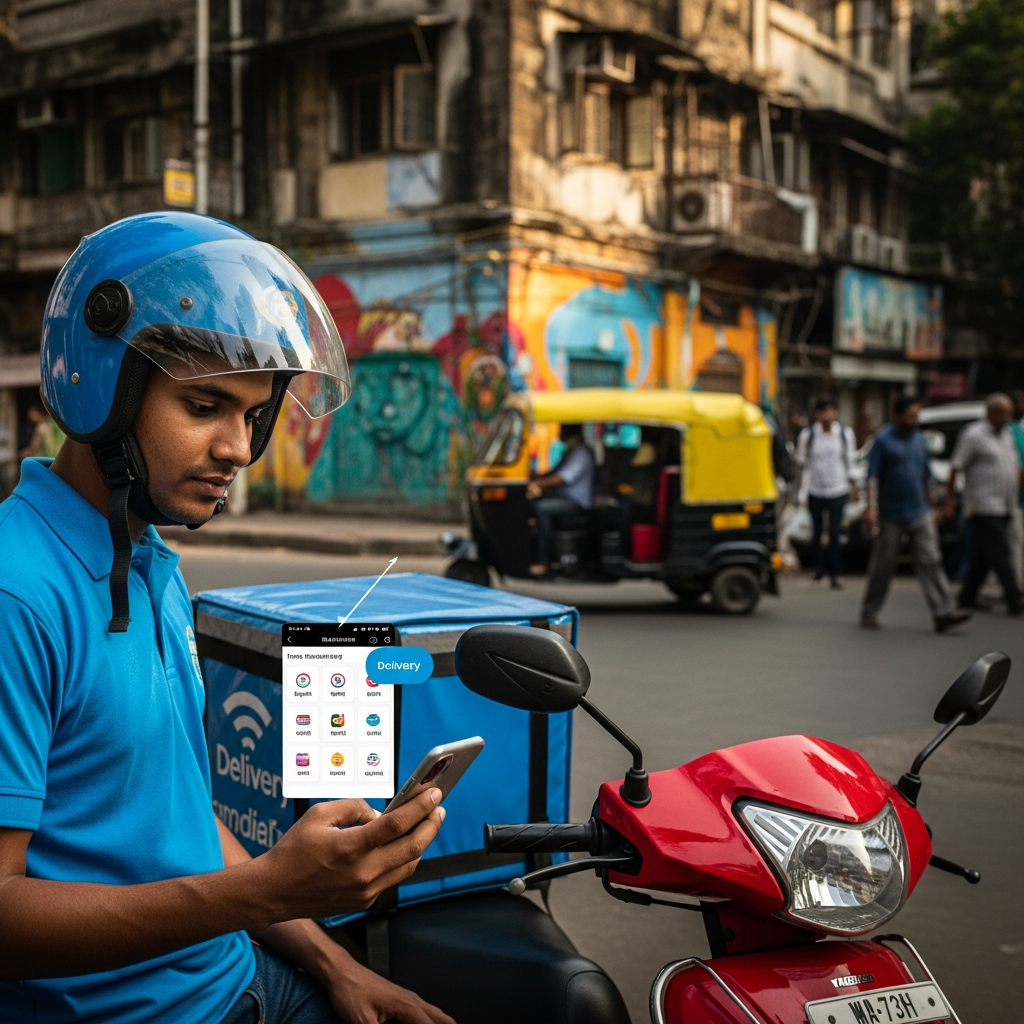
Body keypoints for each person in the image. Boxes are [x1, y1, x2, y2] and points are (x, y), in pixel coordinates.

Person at [0, 212, 453, 1024]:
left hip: (239, 975)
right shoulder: (17, 594)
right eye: (204, 405)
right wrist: (264, 888)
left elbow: (178, 816)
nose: (239, 449)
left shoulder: (150, 563)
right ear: (99, 390)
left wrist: (334, 963)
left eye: (251, 415)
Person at [859, 397, 971, 632]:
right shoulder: (883, 440)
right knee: (884, 564)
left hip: (919, 509)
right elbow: (872, 478)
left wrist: (934, 507)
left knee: (930, 560)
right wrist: (871, 508)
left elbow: (926, 477)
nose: (915, 420)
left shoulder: (919, 440)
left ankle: (943, 611)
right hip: (890, 512)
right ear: (897, 415)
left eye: (917, 416)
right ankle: (870, 610)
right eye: (911, 416)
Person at [945, 392, 1024, 614]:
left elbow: (1014, 466)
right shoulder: (974, 435)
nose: (1007, 417)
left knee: (985, 553)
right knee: (1000, 550)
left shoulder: (1007, 434)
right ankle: (1014, 596)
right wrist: (950, 501)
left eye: (1009, 413)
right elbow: (955, 467)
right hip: (983, 504)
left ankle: (967, 596)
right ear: (990, 413)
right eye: (1002, 413)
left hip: (1007, 503)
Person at [795, 397, 857, 588]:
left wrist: (852, 488)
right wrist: (801, 493)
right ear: (817, 415)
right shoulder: (808, 435)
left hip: (837, 489)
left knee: (835, 533)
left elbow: (850, 462)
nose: (826, 415)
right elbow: (802, 464)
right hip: (815, 490)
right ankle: (818, 569)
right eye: (823, 411)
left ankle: (836, 572)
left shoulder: (845, 435)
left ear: (835, 413)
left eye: (830, 411)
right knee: (816, 533)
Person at [526, 422, 595, 574]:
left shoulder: (581, 453)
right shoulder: (570, 451)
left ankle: (543, 560)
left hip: (576, 503)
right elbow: (553, 473)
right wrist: (534, 477)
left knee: (541, 509)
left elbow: (561, 479)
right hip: (563, 497)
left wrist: (538, 483)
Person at [1008, 390, 1024, 588]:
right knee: (1014, 543)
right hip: (1010, 498)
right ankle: (1015, 588)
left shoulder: (1018, 430)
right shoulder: (1006, 431)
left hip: (1019, 499)